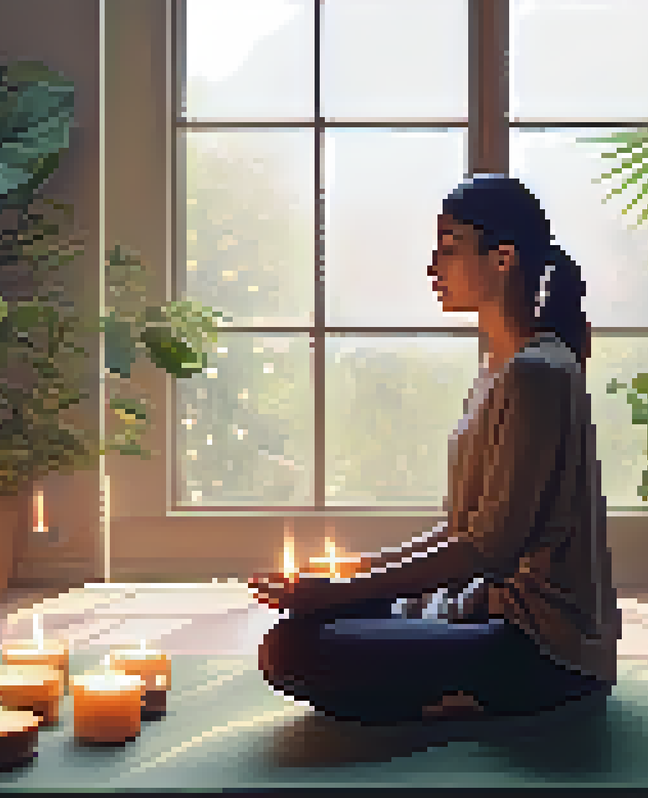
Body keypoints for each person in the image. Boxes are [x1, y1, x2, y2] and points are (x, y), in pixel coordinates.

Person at [250, 174, 620, 724]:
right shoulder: (499, 369)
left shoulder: (537, 374)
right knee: (309, 625)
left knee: (293, 651)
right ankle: (442, 687)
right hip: (482, 612)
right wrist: (351, 574)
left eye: (449, 249)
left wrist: (339, 593)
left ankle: (464, 697)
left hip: (544, 649)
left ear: (503, 258)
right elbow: (460, 532)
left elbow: (489, 551)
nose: (432, 268)